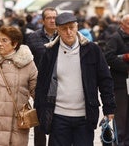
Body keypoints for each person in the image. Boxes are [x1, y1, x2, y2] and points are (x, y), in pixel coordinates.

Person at [34, 12, 116, 146]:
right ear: (58, 30)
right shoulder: (50, 52)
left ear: (77, 27)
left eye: (71, 27)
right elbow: (42, 83)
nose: (68, 32)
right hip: (58, 116)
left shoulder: (92, 50)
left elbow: (105, 80)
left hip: (85, 116)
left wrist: (109, 108)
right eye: (64, 29)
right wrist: (40, 108)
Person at [26, 7, 58, 146]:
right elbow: (27, 62)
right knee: (39, 127)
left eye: (54, 17)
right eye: (49, 18)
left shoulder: (63, 36)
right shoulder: (33, 37)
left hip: (59, 88)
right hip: (40, 88)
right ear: (43, 20)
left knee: (57, 127)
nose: (52, 20)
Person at [104, 14, 129, 145]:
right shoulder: (115, 38)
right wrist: (126, 67)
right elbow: (108, 57)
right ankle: (121, 142)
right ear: (122, 25)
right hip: (120, 85)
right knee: (121, 116)